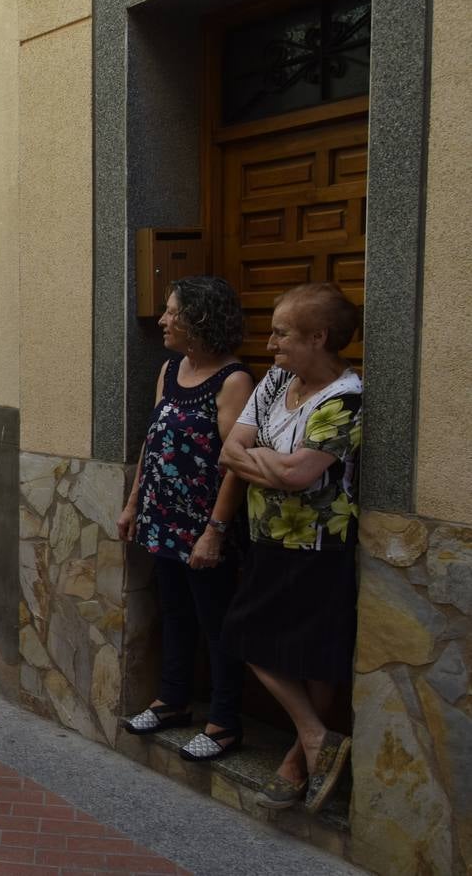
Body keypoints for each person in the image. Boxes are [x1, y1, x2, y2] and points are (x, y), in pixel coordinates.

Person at [219, 282, 362, 815]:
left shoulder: (346, 398)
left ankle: (297, 761)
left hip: (320, 544)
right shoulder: (278, 379)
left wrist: (263, 463)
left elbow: (301, 474)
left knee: (313, 658)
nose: (271, 343)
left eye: (281, 333)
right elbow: (231, 447)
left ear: (318, 337)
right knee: (246, 635)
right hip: (267, 537)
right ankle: (317, 738)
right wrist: (273, 468)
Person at [116, 277, 253, 762]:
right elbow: (153, 442)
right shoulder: (171, 369)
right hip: (161, 516)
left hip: (203, 525)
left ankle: (224, 723)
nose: (163, 320)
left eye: (172, 312)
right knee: (173, 612)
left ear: (199, 318)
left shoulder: (234, 380)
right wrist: (135, 503)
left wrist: (214, 532)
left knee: (215, 623)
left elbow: (236, 463)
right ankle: (172, 701)